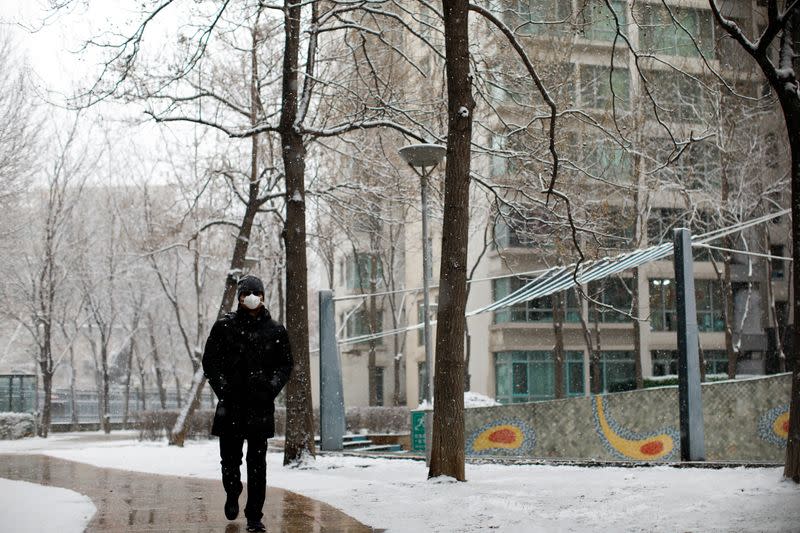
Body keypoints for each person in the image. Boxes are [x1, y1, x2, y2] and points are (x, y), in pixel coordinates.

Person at [202, 275, 293, 533]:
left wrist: (271, 387)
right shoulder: (224, 327)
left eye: (257, 293)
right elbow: (210, 362)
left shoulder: (276, 330)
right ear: (240, 297)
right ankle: (232, 493)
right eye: (246, 294)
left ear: (263, 297)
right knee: (230, 462)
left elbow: (285, 365)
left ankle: (255, 516)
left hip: (260, 408)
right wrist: (224, 389)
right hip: (231, 406)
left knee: (257, 464)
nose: (252, 298)